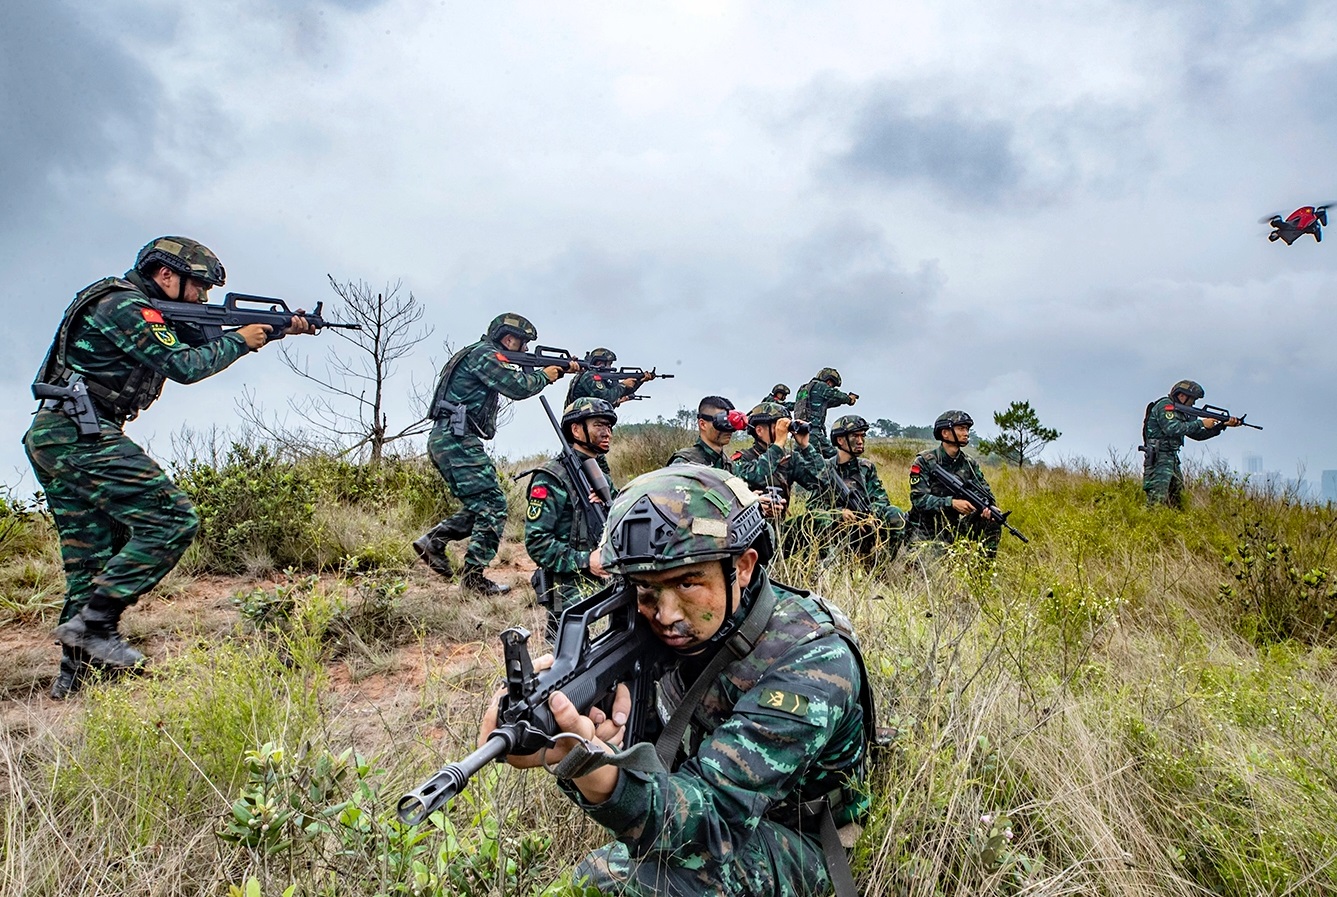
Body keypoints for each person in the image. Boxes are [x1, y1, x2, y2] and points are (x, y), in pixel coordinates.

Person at [478, 465, 873, 896]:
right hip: (707, 790)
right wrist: (555, 721)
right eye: (644, 590)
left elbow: (714, 819)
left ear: (742, 566)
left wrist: (594, 772)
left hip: (800, 828)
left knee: (617, 881)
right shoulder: (678, 630)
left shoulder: (811, 660)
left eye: (687, 583)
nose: (665, 615)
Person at [25, 236, 315, 698]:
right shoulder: (126, 306)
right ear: (166, 276)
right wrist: (242, 341)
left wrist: (278, 327)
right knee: (172, 519)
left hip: (57, 434)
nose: (203, 297)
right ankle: (96, 625)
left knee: (93, 558)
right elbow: (184, 364)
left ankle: (75, 681)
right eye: (198, 287)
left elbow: (196, 334)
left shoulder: (139, 307)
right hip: (77, 433)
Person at [414, 313, 577, 594]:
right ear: (508, 338)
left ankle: (434, 541)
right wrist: (546, 375)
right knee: (494, 504)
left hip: (451, 438)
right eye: (522, 343)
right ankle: (473, 579)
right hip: (456, 440)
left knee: (483, 505)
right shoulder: (485, 356)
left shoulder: (477, 354)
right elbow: (517, 387)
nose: (524, 350)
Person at [523, 397, 617, 640]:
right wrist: (586, 561)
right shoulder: (552, 477)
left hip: (607, 587)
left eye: (609, 426)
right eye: (599, 425)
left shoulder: (601, 476)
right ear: (576, 429)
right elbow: (537, 543)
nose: (607, 432)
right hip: (568, 593)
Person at [804, 414, 907, 565]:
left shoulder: (866, 467)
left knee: (894, 513)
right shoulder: (825, 469)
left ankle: (879, 568)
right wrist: (839, 513)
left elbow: (881, 499)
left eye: (862, 436)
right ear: (840, 440)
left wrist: (870, 516)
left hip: (867, 527)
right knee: (821, 521)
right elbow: (812, 507)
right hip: (838, 531)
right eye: (855, 436)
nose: (860, 441)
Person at [907, 410, 1002, 557]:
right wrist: (951, 503)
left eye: (967, 429)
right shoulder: (925, 461)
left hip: (954, 527)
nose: (966, 433)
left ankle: (984, 573)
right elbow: (918, 499)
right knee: (926, 571)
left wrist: (988, 508)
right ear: (945, 433)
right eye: (961, 429)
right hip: (924, 530)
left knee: (992, 520)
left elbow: (984, 491)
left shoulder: (969, 464)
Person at [1140, 379, 1240, 508]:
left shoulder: (1181, 412)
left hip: (1172, 459)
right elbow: (1172, 428)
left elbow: (1197, 435)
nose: (1193, 403)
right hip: (1159, 458)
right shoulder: (1165, 406)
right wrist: (1201, 423)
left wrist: (1220, 426)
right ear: (1182, 395)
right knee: (1156, 502)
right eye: (1192, 399)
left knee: (1177, 501)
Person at [733, 401, 825, 520]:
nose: (784, 431)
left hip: (780, 529)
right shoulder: (742, 458)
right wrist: (778, 446)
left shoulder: (790, 458)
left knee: (821, 519)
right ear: (759, 430)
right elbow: (757, 477)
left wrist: (806, 447)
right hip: (748, 529)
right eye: (779, 426)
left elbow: (821, 481)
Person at [666, 395, 749, 469]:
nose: (729, 429)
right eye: (722, 422)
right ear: (703, 424)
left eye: (731, 423)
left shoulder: (728, 464)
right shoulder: (686, 463)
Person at [792, 368, 858, 459]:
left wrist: (843, 401)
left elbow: (826, 403)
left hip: (800, 433)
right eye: (832, 384)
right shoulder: (820, 386)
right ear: (828, 380)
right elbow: (836, 395)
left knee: (801, 461)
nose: (831, 386)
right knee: (839, 459)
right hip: (814, 433)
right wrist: (849, 399)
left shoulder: (805, 389)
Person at [565, 347, 658, 407]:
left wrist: (639, 381)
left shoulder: (593, 376)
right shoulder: (589, 376)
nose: (610, 367)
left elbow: (618, 393)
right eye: (609, 364)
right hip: (579, 422)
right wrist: (623, 385)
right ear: (599, 363)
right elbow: (607, 397)